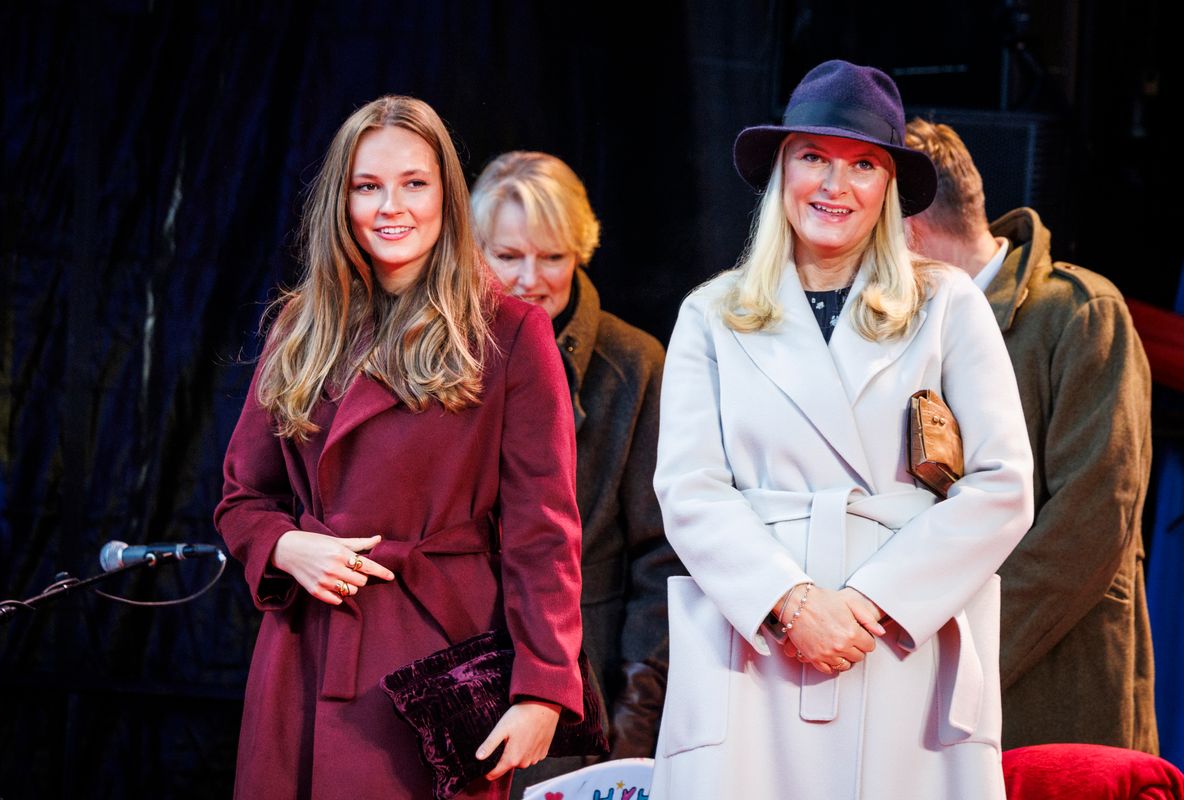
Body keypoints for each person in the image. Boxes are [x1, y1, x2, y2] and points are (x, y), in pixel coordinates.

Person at [650, 60, 1035, 799]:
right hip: (756, 646)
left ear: (889, 188)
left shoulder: (947, 303)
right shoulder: (711, 313)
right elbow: (690, 489)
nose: (835, 185)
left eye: (863, 164)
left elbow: (1004, 486)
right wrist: (792, 603)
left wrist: (869, 602)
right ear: (782, 170)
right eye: (814, 157)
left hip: (896, 645)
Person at [214, 96, 585, 800]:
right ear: (342, 199)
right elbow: (243, 497)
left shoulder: (509, 332)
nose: (392, 206)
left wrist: (543, 688)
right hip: (304, 656)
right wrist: (286, 546)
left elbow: (544, 532)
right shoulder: (302, 324)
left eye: (414, 183)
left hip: (436, 662)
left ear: (446, 195)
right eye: (368, 186)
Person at [904, 118, 1158, 753]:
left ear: (907, 232)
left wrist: (952, 659)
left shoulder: (1080, 313)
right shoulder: (907, 334)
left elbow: (1090, 523)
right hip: (939, 699)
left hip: (1054, 705)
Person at [470, 152, 684, 792]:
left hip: (579, 705)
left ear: (581, 251)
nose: (530, 279)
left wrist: (628, 735)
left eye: (553, 256)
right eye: (508, 256)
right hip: (454, 683)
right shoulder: (440, 353)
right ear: (475, 251)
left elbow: (662, 562)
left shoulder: (635, 363)